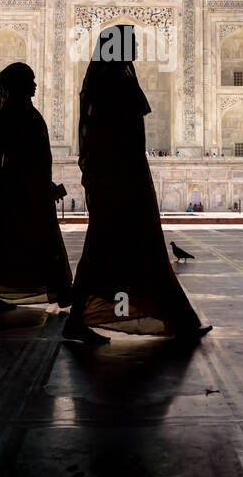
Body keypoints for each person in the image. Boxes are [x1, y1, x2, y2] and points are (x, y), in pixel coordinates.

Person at [65, 25, 210, 343]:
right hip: (122, 177)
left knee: (110, 246)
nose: (136, 49)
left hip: (119, 176)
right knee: (133, 246)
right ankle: (177, 319)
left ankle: (82, 318)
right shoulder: (114, 82)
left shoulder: (108, 81)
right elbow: (116, 137)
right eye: (129, 43)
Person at [0, 63, 73, 311]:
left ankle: (58, 290)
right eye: (30, 80)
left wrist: (45, 183)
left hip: (30, 187)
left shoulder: (22, 111)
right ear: (19, 84)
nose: (35, 84)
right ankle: (60, 291)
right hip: (22, 191)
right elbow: (19, 158)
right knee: (29, 241)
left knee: (27, 242)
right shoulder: (13, 113)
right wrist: (37, 185)